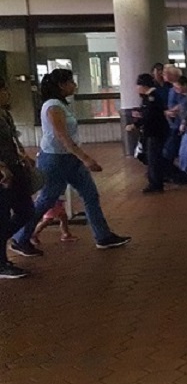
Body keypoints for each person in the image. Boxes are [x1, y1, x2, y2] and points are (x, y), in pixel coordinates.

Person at [8, 69, 129, 257]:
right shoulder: (53, 106)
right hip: (55, 159)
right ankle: (19, 238)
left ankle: (103, 236)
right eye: (71, 82)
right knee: (47, 200)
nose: (74, 85)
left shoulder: (61, 104)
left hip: (69, 158)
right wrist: (85, 158)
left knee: (90, 195)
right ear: (61, 85)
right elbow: (62, 136)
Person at [0, 78, 36, 278]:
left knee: (26, 210)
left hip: (15, 167)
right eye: (4, 89)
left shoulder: (5, 113)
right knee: (3, 215)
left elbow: (11, 141)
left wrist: (22, 156)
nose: (7, 93)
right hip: (3, 173)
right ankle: (1, 263)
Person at [129, 73, 187, 194]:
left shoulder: (152, 97)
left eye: (138, 85)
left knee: (154, 159)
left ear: (143, 86)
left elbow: (150, 116)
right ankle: (176, 177)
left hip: (155, 132)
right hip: (154, 131)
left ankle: (156, 184)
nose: (136, 88)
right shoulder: (149, 97)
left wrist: (136, 124)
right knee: (156, 158)